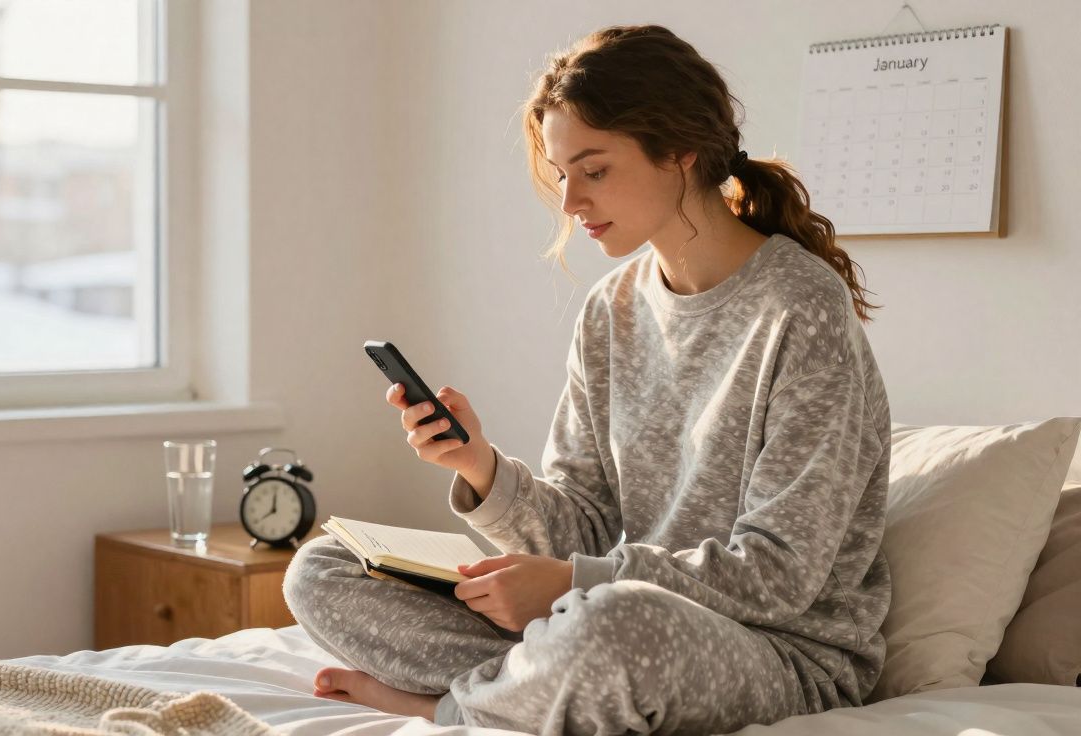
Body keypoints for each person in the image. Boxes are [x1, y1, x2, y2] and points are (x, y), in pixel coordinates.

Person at [282, 24, 891, 736]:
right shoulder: (612, 310)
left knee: (616, 628)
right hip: (599, 616)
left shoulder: (802, 308)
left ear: (680, 152)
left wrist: (578, 585)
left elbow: (780, 574)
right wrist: (479, 468)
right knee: (322, 570)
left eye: (594, 171)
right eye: (561, 173)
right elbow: (585, 526)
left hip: (777, 653)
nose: (570, 201)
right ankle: (534, 686)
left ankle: (452, 707)